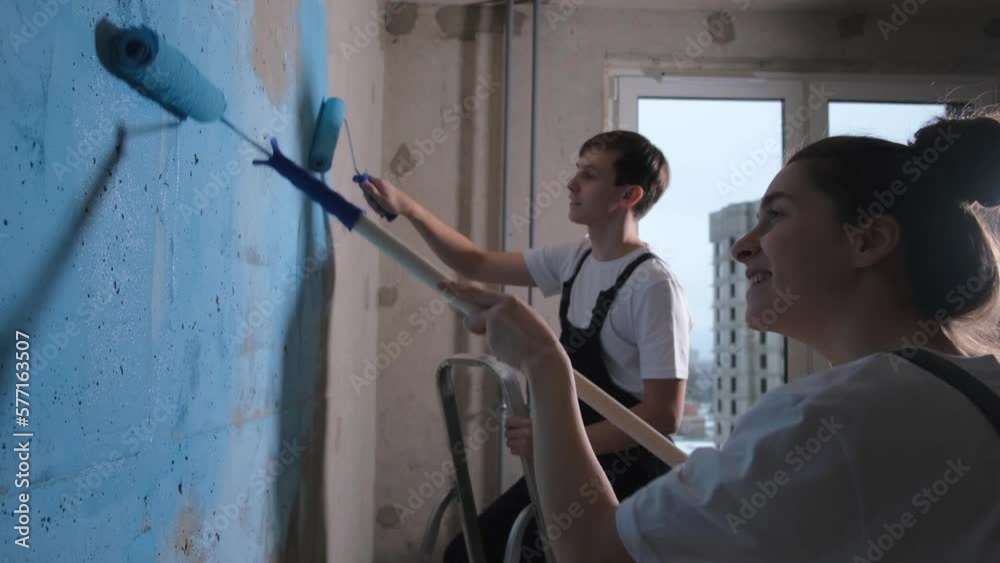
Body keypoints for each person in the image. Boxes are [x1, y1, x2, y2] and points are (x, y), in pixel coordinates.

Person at [440, 114, 1000, 563]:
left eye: (775, 217)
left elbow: (596, 550)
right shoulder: (974, 387)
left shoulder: (836, 419)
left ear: (868, 240)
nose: (743, 247)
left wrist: (544, 362)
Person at [359, 131, 693, 562]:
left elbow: (664, 415)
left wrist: (557, 439)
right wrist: (407, 208)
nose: (572, 183)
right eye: (577, 170)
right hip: (569, 458)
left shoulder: (653, 287)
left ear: (628, 195)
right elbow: (475, 262)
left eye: (589, 175)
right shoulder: (578, 259)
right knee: (468, 553)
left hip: (624, 478)